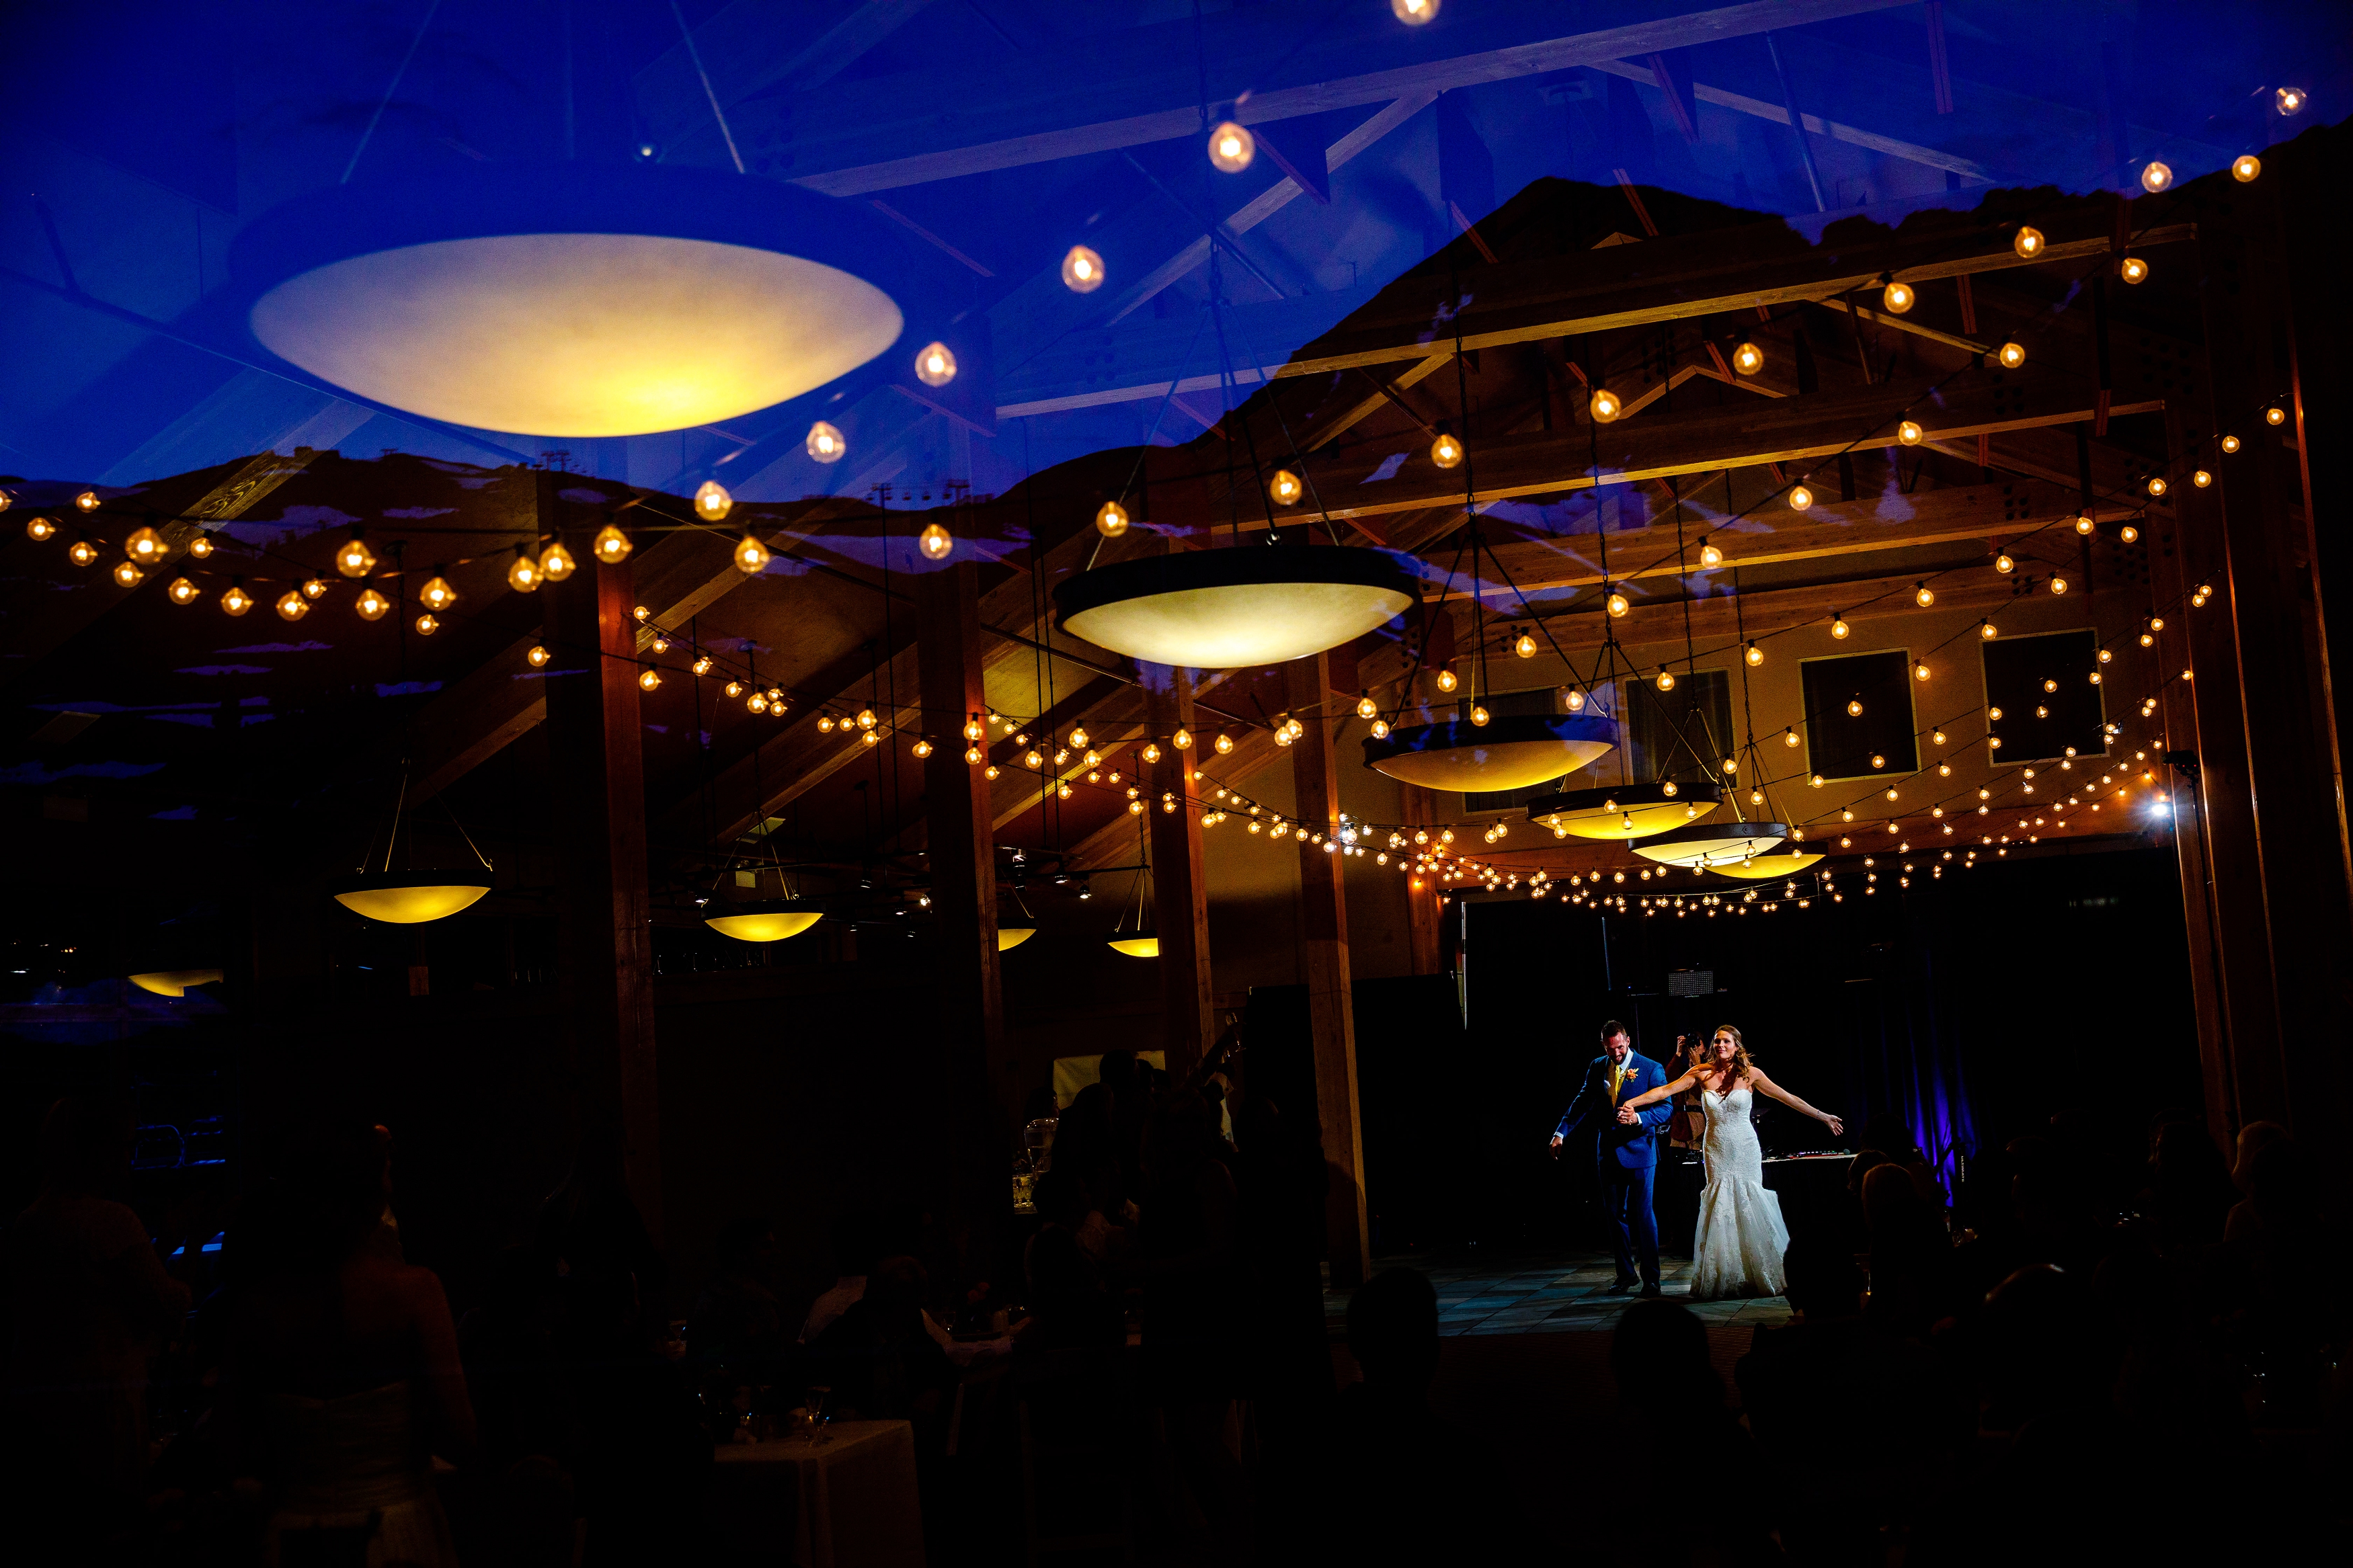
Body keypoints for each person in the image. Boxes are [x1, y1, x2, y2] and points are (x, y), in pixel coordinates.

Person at [229, 1118, 475, 1567]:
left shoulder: (255, 1307)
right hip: (396, 1529)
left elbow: (243, 1442)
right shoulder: (414, 1293)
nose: (392, 1184)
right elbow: (460, 1439)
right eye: (385, 1171)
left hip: (294, 1537)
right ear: (366, 1190)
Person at [4, 1095, 193, 1552]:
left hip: (42, 1407)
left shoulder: (25, 1224)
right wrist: (184, 1248)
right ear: (95, 1151)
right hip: (105, 1403)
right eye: (122, 1147)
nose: (127, 1161)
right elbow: (170, 1309)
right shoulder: (111, 1221)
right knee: (118, 1524)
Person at [1618, 1025, 1843, 1299]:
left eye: (1726, 1041)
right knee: (1721, 1202)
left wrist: (1823, 1116)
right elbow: (1665, 1090)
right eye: (1717, 1041)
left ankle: (1761, 1270)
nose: (1721, 1045)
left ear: (1737, 1046)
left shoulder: (1751, 1075)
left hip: (1745, 1147)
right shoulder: (1701, 1072)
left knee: (1749, 1201)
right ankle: (1726, 1273)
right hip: (1715, 1148)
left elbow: (1788, 1098)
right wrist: (1633, 1103)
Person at [1549, 1020, 1673, 1296]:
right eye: (1610, 1048)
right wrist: (1561, 1133)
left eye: (1619, 1047)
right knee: (1615, 1216)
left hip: (1641, 1151)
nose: (1616, 1054)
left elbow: (1666, 1109)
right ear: (1603, 1045)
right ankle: (1625, 1275)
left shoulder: (1651, 1068)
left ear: (1627, 1041)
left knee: (1644, 1216)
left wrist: (1639, 1117)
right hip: (1608, 1152)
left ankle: (1652, 1279)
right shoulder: (1597, 1066)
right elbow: (1582, 1101)